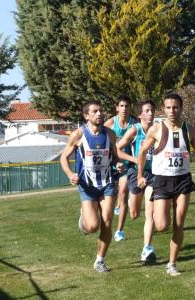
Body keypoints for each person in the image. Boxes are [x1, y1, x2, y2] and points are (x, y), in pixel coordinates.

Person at [137, 93, 195, 276]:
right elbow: (142, 152)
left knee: (179, 223)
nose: (172, 111)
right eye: (168, 107)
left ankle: (172, 264)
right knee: (161, 225)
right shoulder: (157, 129)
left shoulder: (189, 129)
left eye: (175, 107)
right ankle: (165, 253)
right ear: (164, 109)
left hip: (183, 180)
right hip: (162, 180)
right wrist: (139, 175)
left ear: (181, 109)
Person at [60, 100, 119, 273]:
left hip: (107, 183)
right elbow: (63, 158)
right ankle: (84, 219)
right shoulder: (78, 135)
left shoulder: (110, 134)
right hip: (87, 185)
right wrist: (71, 174)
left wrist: (119, 163)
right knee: (93, 226)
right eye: (95, 111)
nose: (100, 114)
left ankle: (100, 261)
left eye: (101, 111)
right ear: (86, 116)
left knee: (107, 221)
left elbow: (115, 156)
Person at [116, 100, 157, 263]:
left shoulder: (158, 130)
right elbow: (117, 150)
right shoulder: (135, 130)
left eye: (152, 111)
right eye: (147, 111)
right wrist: (134, 158)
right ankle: (128, 200)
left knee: (150, 213)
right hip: (135, 173)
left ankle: (147, 248)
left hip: (153, 174)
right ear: (140, 115)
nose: (150, 114)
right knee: (134, 214)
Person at [104, 96, 137, 242]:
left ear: (130, 108)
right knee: (107, 198)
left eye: (127, 106)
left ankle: (119, 231)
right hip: (110, 164)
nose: (124, 109)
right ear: (117, 108)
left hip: (127, 164)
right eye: (121, 106)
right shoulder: (111, 123)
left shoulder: (134, 124)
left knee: (123, 193)